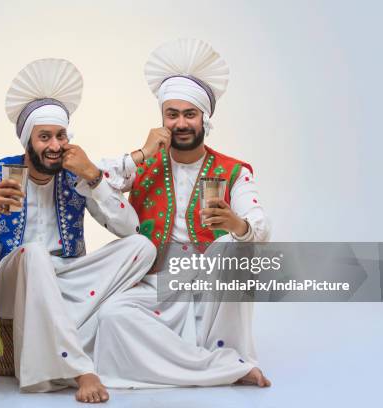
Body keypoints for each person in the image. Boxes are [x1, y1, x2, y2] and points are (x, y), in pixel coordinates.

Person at [0, 58, 157, 403]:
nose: (54, 145)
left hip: (66, 279)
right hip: (11, 281)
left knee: (143, 247)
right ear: (28, 141)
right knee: (36, 254)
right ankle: (80, 369)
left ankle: (58, 329)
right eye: (45, 137)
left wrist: (93, 177)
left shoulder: (77, 175)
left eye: (61, 136)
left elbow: (129, 227)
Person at [94, 39, 272, 388]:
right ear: (161, 119)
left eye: (189, 114)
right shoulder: (145, 164)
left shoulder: (233, 170)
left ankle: (222, 358)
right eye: (172, 114)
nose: (180, 123)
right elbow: (93, 177)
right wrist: (141, 153)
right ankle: (220, 368)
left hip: (212, 280)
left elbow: (260, 226)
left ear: (204, 119)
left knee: (235, 251)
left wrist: (237, 225)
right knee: (112, 316)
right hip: (159, 281)